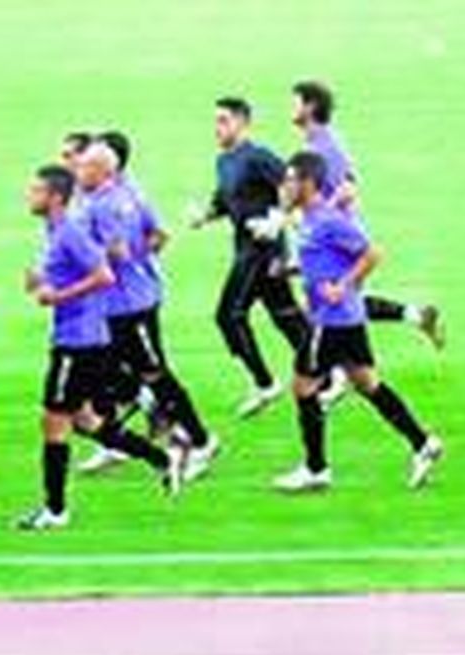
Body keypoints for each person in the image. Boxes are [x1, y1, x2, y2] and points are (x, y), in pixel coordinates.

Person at [17, 165, 185, 531]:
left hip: (79, 341)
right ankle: (161, 458)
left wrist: (57, 295)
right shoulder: (54, 232)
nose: (29, 196)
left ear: (56, 198)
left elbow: (104, 276)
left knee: (54, 422)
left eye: (36, 191)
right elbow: (70, 272)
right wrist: (39, 281)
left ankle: (56, 511)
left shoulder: (69, 233)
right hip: (76, 338)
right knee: (84, 421)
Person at [271, 152, 443, 493]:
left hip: (330, 321)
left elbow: (371, 253)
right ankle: (423, 443)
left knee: (303, 388)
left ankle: (316, 469)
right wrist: (291, 270)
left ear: (307, 183)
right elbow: (322, 259)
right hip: (348, 319)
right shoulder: (306, 219)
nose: (285, 186)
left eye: (290, 179)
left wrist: (343, 285)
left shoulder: (327, 220)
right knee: (367, 384)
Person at [71, 143, 219, 481]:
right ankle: (125, 432)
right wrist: (142, 258)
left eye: (84, 166)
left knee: (154, 373)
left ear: (103, 170)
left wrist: (79, 260)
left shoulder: (105, 205)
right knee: (105, 370)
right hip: (125, 301)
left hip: (127, 306)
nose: (78, 171)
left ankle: (201, 440)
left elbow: (117, 252)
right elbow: (160, 236)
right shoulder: (128, 192)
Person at [292, 80, 445, 348]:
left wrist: (321, 219)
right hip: (333, 234)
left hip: (340, 238)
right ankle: (416, 317)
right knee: (333, 302)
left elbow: (347, 187)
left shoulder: (324, 146)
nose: (291, 109)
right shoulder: (321, 140)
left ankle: (341, 371)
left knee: (330, 304)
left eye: (295, 102)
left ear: (310, 106)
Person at [190, 97, 312, 418]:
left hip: (262, 251)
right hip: (245, 247)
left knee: (228, 316)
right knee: (286, 316)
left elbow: (292, 184)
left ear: (243, 123)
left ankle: (265, 383)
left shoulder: (257, 157)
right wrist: (205, 215)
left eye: (224, 120)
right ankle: (331, 370)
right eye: (215, 120)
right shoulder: (224, 161)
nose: (218, 127)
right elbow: (226, 199)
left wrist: (277, 219)